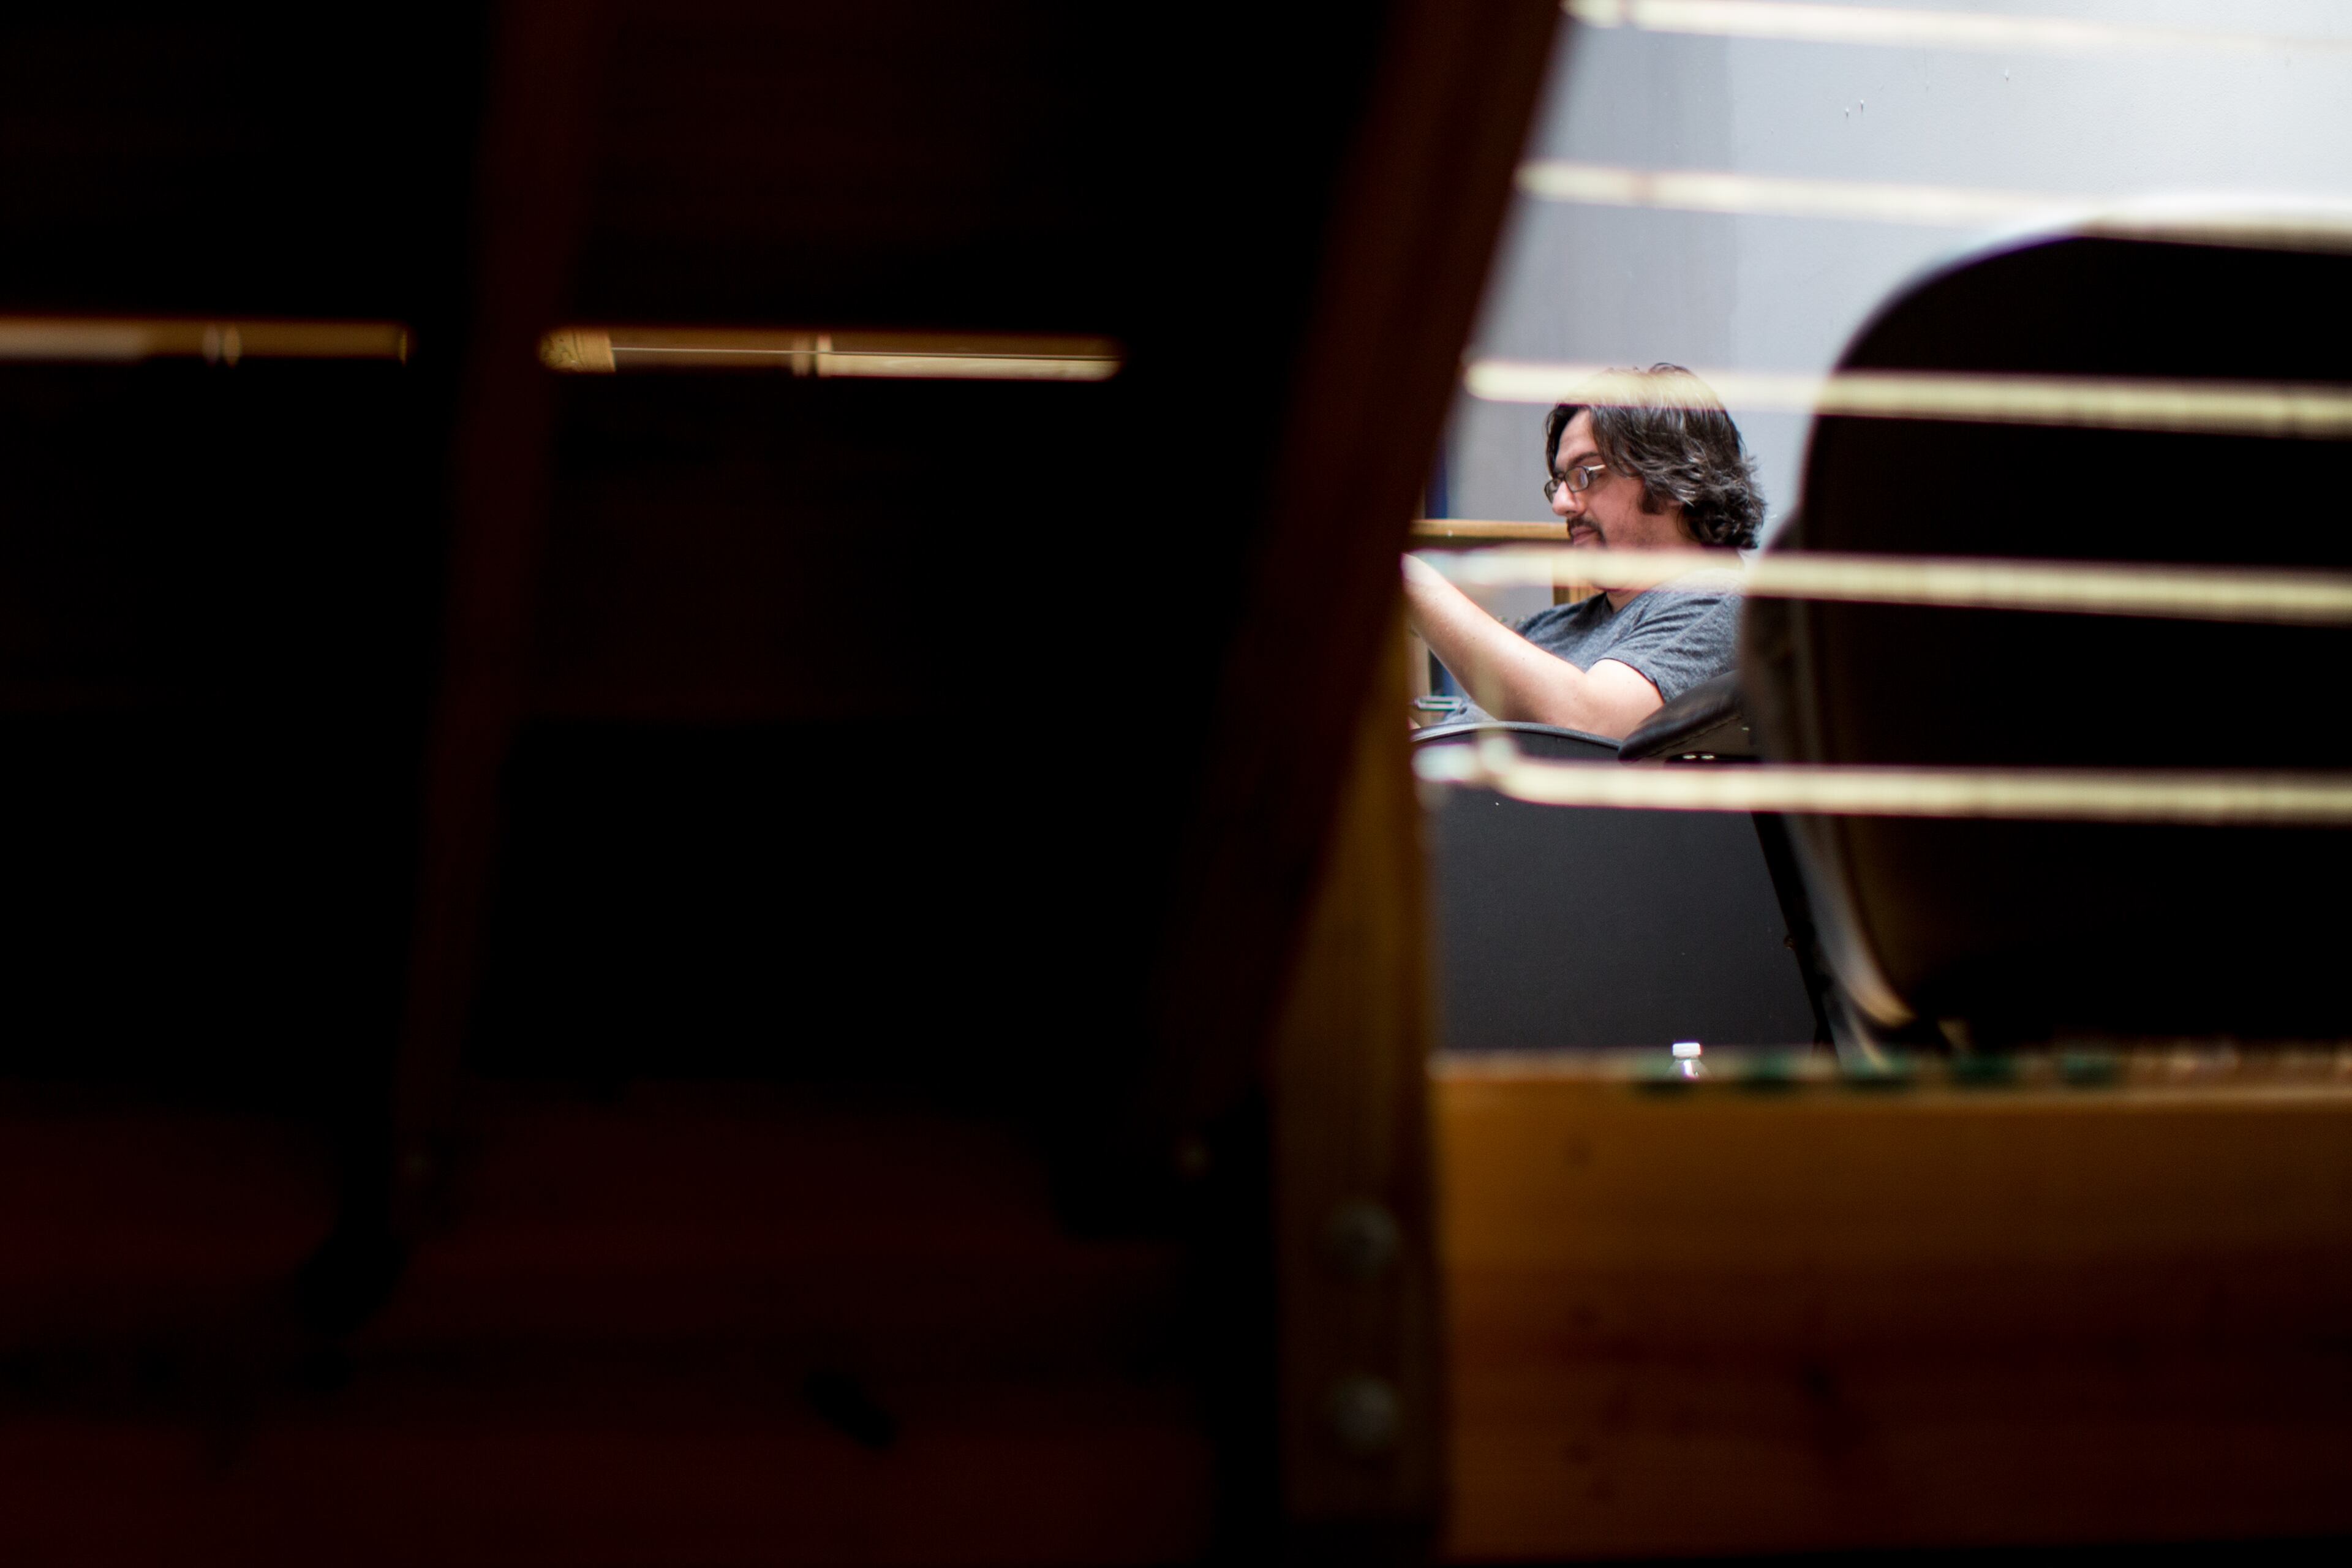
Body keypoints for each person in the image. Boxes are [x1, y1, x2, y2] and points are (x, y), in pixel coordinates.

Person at [1404, 363, 1763, 738]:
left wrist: (1415, 583)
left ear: (1674, 479)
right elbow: (1449, 748)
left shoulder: (1723, 604)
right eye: (1560, 481)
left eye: (1585, 475)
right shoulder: (1545, 630)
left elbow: (1590, 725)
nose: (1560, 503)